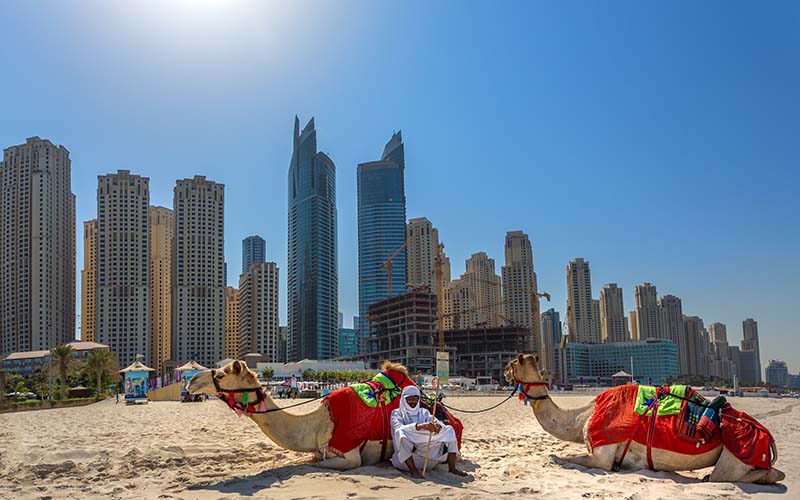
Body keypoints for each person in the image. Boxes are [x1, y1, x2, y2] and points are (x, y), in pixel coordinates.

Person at [390, 386, 467, 478]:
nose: (413, 401)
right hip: (404, 463)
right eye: (409, 399)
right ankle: (413, 471)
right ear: (403, 399)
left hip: (430, 462)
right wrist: (421, 426)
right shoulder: (396, 413)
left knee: (449, 430)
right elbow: (398, 428)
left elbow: (435, 422)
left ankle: (452, 468)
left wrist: (437, 426)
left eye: (415, 398)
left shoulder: (423, 412)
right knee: (401, 433)